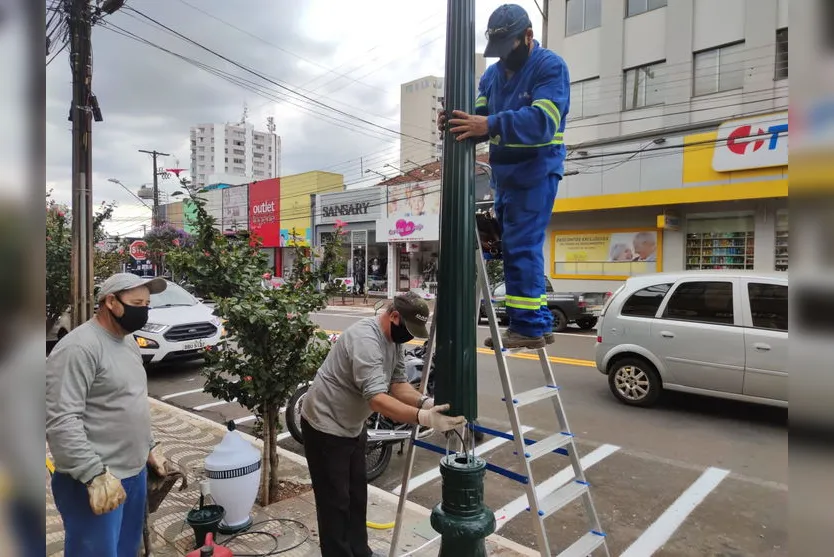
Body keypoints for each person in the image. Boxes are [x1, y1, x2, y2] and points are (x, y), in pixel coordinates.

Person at [439, 4, 570, 350]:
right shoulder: (492, 76)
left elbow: (544, 121)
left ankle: (527, 327)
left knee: (521, 246)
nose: (504, 59)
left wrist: (490, 124)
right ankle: (537, 323)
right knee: (515, 247)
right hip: (506, 175)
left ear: (528, 36)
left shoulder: (549, 66)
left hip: (537, 170)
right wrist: (458, 121)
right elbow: (479, 117)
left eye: (509, 48)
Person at [300, 291, 465, 557]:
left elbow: (397, 384)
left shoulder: (393, 340)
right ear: (394, 316)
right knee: (335, 503)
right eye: (408, 329)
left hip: (352, 425)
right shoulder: (366, 339)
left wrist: (425, 403)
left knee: (356, 496)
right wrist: (423, 419)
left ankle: (360, 552)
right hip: (325, 426)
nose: (409, 337)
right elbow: (377, 399)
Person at [46, 273, 170, 557]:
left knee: (126, 550)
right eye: (137, 303)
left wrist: (149, 446)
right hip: (94, 481)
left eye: (148, 304)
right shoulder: (78, 348)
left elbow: (130, 398)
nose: (144, 311)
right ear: (111, 302)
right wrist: (94, 475)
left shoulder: (128, 342)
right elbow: (62, 421)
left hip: (133, 475)